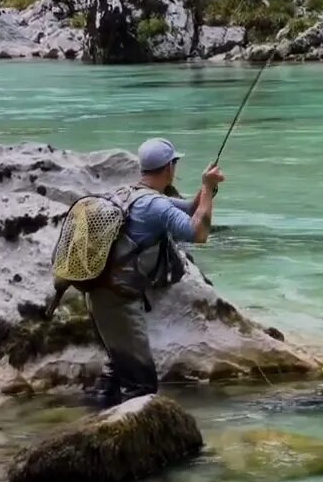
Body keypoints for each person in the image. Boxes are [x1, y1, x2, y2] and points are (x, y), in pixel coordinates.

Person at [86, 137, 225, 407]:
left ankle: (97, 422)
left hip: (99, 294)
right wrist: (207, 188)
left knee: (117, 372)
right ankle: (121, 441)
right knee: (142, 385)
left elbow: (189, 211)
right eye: (174, 163)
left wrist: (208, 189)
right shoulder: (155, 205)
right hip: (118, 301)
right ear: (169, 168)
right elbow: (198, 233)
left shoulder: (131, 194)